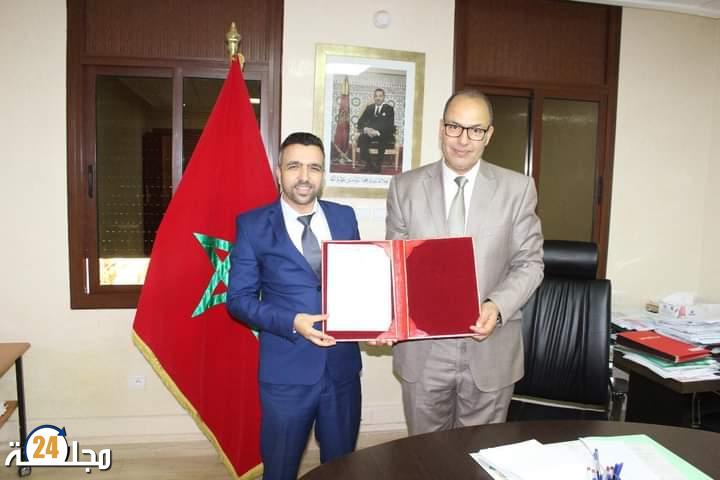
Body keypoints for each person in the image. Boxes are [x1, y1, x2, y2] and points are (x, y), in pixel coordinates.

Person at [385, 89, 544, 435]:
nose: (463, 139)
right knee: (425, 453)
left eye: (475, 130)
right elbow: (395, 267)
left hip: (489, 344)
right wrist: (381, 318)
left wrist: (496, 306)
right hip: (423, 348)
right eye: (454, 127)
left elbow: (530, 263)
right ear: (441, 128)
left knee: (479, 452)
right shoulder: (404, 187)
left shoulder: (518, 189)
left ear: (489, 134)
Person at [227, 132, 362, 480]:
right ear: (279, 172)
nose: (304, 176)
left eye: (314, 167)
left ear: (323, 174)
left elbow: (358, 283)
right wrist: (292, 321)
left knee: (341, 468)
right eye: (294, 166)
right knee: (280, 470)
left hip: (342, 370)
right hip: (286, 373)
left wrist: (378, 323)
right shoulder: (253, 225)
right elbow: (238, 300)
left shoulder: (345, 217)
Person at [356, 88, 395, 173]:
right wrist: (366, 129)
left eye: (380, 96)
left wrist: (377, 132)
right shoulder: (369, 108)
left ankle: (378, 166)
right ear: (374, 97)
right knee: (362, 138)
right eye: (376, 96)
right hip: (370, 133)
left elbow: (389, 125)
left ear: (383, 97)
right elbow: (360, 122)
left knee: (383, 139)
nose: (378, 98)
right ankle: (369, 164)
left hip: (383, 133)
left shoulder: (389, 109)